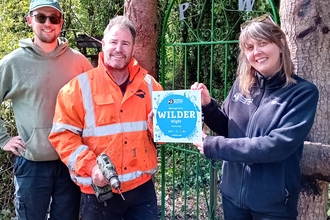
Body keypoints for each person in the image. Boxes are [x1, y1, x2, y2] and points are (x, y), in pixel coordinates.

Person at [191, 14, 319, 220]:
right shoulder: (242, 86)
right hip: (232, 200)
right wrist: (207, 106)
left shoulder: (303, 93)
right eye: (249, 47)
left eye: (262, 43)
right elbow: (227, 128)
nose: (256, 52)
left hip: (273, 207)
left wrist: (214, 146)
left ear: (280, 44)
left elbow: (276, 146)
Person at [48, 15, 163, 220]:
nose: (119, 48)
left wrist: (158, 129)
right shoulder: (77, 88)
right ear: (103, 44)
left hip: (142, 190)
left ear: (133, 48)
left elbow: (162, 136)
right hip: (99, 192)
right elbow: (63, 136)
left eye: (125, 43)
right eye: (113, 42)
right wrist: (92, 168)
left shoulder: (150, 86)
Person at [0, 0, 93, 219]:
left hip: (71, 162)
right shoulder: (13, 63)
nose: (48, 23)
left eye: (54, 18)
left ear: (61, 23)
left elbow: (98, 98)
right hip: (32, 164)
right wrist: (3, 139)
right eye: (41, 17)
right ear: (30, 20)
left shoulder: (78, 62)